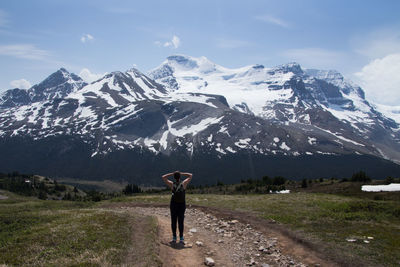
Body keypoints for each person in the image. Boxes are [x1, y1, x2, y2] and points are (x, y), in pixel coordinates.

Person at [162, 171, 192, 243]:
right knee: (181, 221)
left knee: (173, 221)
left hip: (173, 204)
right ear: (180, 177)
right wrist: (181, 173)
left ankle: (174, 237)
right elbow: (190, 175)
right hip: (182, 204)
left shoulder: (172, 184)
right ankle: (181, 238)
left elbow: (163, 177)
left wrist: (172, 173)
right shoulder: (184, 183)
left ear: (174, 177)